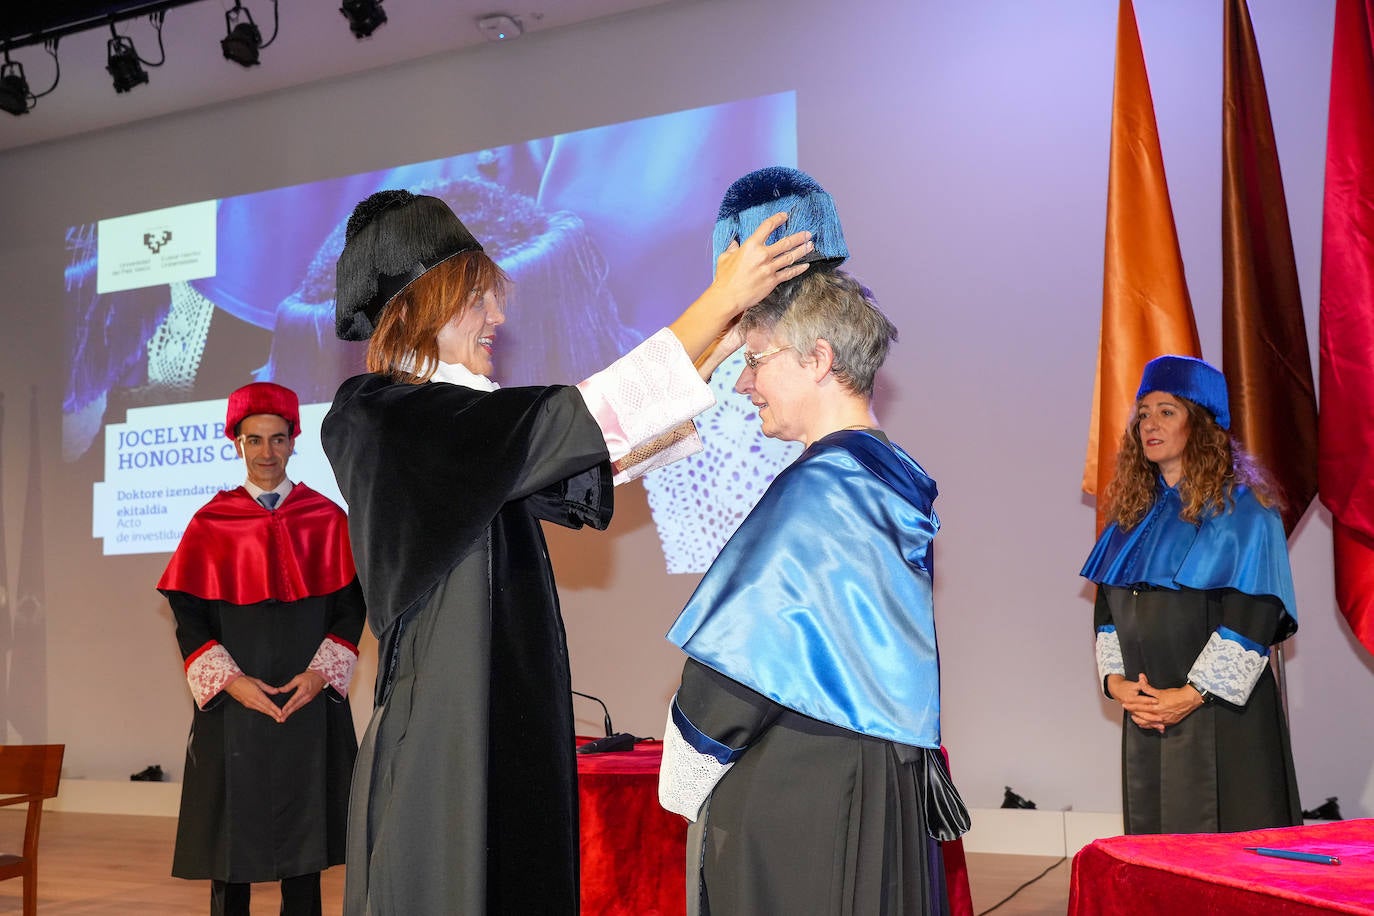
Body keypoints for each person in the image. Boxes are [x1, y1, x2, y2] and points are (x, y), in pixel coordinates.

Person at [320, 188, 814, 915]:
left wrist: (722, 343)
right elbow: (580, 420)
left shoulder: (462, 431)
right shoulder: (380, 415)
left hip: (497, 716)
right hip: (447, 734)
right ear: (426, 301)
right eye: (478, 298)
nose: (498, 316)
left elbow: (595, 451)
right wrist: (717, 301)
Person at [659, 265, 969, 915]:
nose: (743, 383)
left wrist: (685, 770)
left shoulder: (825, 487)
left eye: (755, 360)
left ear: (818, 358)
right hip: (876, 769)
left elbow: (736, 670)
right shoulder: (887, 471)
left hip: (807, 788)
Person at [157, 381, 365, 916]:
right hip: (235, 709)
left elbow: (350, 608)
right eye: (254, 440)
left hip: (305, 703)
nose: (266, 453)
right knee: (231, 851)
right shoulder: (210, 523)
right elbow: (190, 616)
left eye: (277, 439)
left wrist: (320, 675)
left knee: (305, 853)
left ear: (295, 441)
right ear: (237, 444)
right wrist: (232, 682)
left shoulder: (327, 518)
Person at [1081, 354, 1301, 835]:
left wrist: (1190, 695)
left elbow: (1253, 617)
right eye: (1143, 414)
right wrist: (1119, 686)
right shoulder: (1131, 515)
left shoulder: (1247, 510)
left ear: (1201, 423)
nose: (1149, 425)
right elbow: (1106, 615)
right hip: (1149, 717)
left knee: (1228, 859)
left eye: (1167, 411)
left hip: (1221, 719)